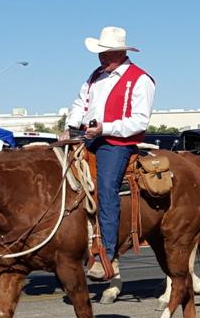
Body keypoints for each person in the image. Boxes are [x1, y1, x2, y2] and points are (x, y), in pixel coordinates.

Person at [64, 26, 155, 281]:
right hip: (88, 137)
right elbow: (79, 103)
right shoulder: (95, 76)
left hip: (116, 143)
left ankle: (108, 255)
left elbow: (139, 121)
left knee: (105, 188)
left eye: (105, 53)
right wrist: (72, 128)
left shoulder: (140, 79)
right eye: (100, 53)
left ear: (119, 52)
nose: (100, 57)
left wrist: (106, 128)